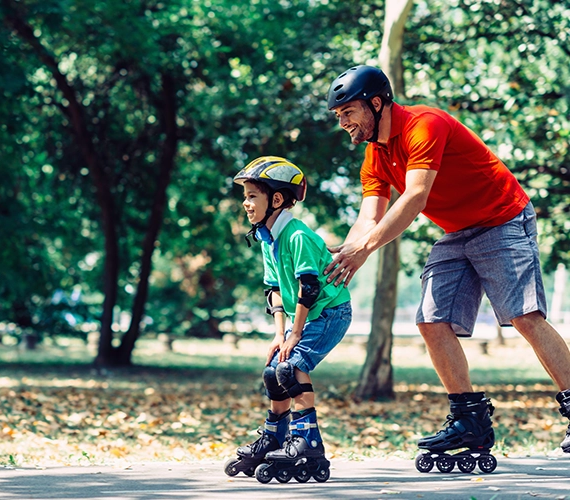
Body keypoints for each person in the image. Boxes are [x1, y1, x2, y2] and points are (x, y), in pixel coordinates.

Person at [324, 65, 570, 470]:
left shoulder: (426, 124)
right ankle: (469, 421)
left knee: (524, 317)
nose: (343, 123)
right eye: (339, 117)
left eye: (348, 112)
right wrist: (345, 255)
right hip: (459, 231)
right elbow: (368, 218)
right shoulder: (375, 156)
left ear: (376, 102)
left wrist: (364, 249)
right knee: (431, 320)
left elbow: (417, 196)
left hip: (503, 218)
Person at [223, 156, 352, 484]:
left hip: (330, 312)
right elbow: (275, 289)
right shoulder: (267, 236)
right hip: (306, 317)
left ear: (276, 199)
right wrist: (280, 335)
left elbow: (308, 288)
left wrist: (296, 333)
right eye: (245, 196)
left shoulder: (296, 236)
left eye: (253, 195)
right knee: (272, 373)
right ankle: (275, 438)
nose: (246, 203)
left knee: (290, 369)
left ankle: (308, 442)